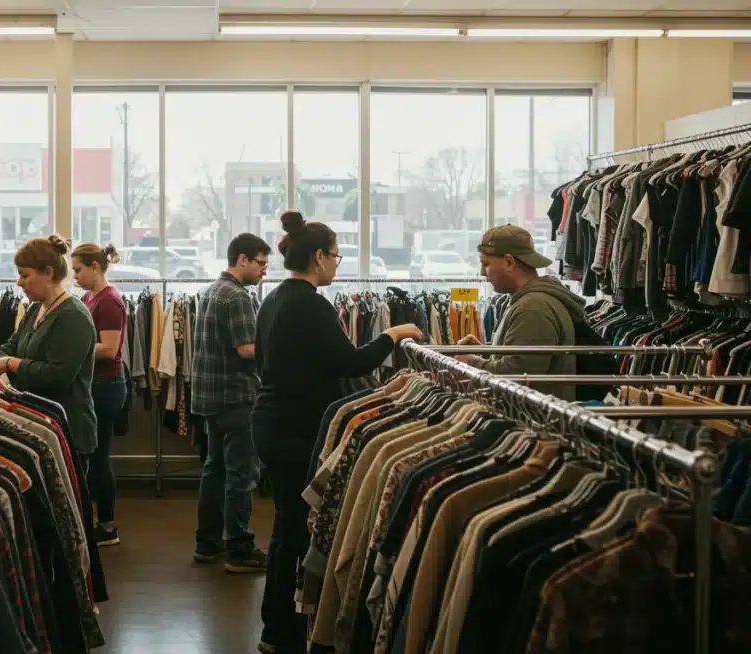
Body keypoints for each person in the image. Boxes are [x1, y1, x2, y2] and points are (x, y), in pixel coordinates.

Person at [253, 211, 423, 654]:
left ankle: (277, 629)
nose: (337, 263)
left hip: (272, 422)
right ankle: (285, 632)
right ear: (318, 258)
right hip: (295, 430)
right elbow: (351, 362)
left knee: (285, 528)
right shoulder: (309, 304)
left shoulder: (275, 298)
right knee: (297, 532)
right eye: (335, 255)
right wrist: (393, 334)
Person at [190, 232, 272, 574]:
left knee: (215, 470)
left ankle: (207, 543)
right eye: (261, 263)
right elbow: (247, 349)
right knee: (241, 475)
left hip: (210, 396)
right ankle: (240, 549)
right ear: (243, 259)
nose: (265, 271)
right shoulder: (237, 296)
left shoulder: (211, 290)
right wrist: (278, 349)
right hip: (236, 396)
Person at [0, 234, 98, 459]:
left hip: (68, 431)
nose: (19, 282)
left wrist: (10, 363)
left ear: (49, 273)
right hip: (40, 426)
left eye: (25, 275)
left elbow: (56, 376)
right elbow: (10, 346)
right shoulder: (35, 310)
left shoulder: (73, 316)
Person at [456, 224, 586, 400]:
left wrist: (470, 362)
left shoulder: (533, 308)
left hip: (535, 416)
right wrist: (486, 352)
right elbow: (524, 363)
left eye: (486, 264)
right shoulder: (529, 302)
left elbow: (516, 376)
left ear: (509, 262)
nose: (481, 273)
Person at [71, 242, 128, 547]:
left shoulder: (109, 302)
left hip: (106, 388)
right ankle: (95, 521)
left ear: (95, 267)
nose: (75, 276)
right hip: (95, 385)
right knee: (91, 455)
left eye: (79, 270)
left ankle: (107, 526)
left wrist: (71, 349)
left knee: (99, 456)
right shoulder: (89, 298)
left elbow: (109, 349)